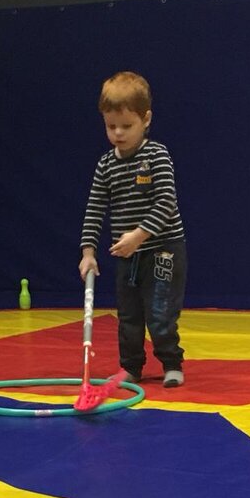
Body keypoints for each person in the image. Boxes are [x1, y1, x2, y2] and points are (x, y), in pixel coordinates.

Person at [79, 72, 187, 387]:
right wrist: (88, 253)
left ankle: (171, 363)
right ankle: (131, 367)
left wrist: (139, 235)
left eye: (126, 126)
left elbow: (166, 201)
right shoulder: (105, 164)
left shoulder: (156, 155)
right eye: (111, 126)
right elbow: (94, 209)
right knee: (128, 316)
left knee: (160, 312)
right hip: (128, 254)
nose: (118, 133)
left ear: (146, 119)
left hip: (162, 250)